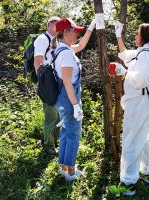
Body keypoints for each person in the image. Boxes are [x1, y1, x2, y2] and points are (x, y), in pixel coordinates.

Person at [113, 22, 149, 196]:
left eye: (137, 33)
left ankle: (128, 183)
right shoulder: (144, 52)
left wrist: (124, 72)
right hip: (140, 102)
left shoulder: (147, 55)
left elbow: (143, 78)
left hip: (138, 102)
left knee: (130, 141)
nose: (135, 36)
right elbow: (126, 55)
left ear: (145, 36)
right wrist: (118, 35)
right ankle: (147, 172)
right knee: (141, 137)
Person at [53, 18, 96, 181]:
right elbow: (67, 82)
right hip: (68, 99)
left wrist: (91, 27)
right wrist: (75, 106)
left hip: (63, 99)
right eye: (74, 30)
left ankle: (64, 168)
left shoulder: (63, 49)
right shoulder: (66, 54)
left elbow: (82, 45)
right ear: (65, 32)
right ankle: (71, 172)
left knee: (66, 132)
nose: (77, 33)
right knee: (74, 134)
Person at [34, 16, 60, 155]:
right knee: (51, 114)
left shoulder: (56, 40)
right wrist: (42, 81)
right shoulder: (43, 39)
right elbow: (37, 60)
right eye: (54, 24)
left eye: (59, 24)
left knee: (58, 113)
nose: (57, 27)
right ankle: (49, 146)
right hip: (47, 80)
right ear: (48, 25)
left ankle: (54, 141)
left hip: (56, 79)